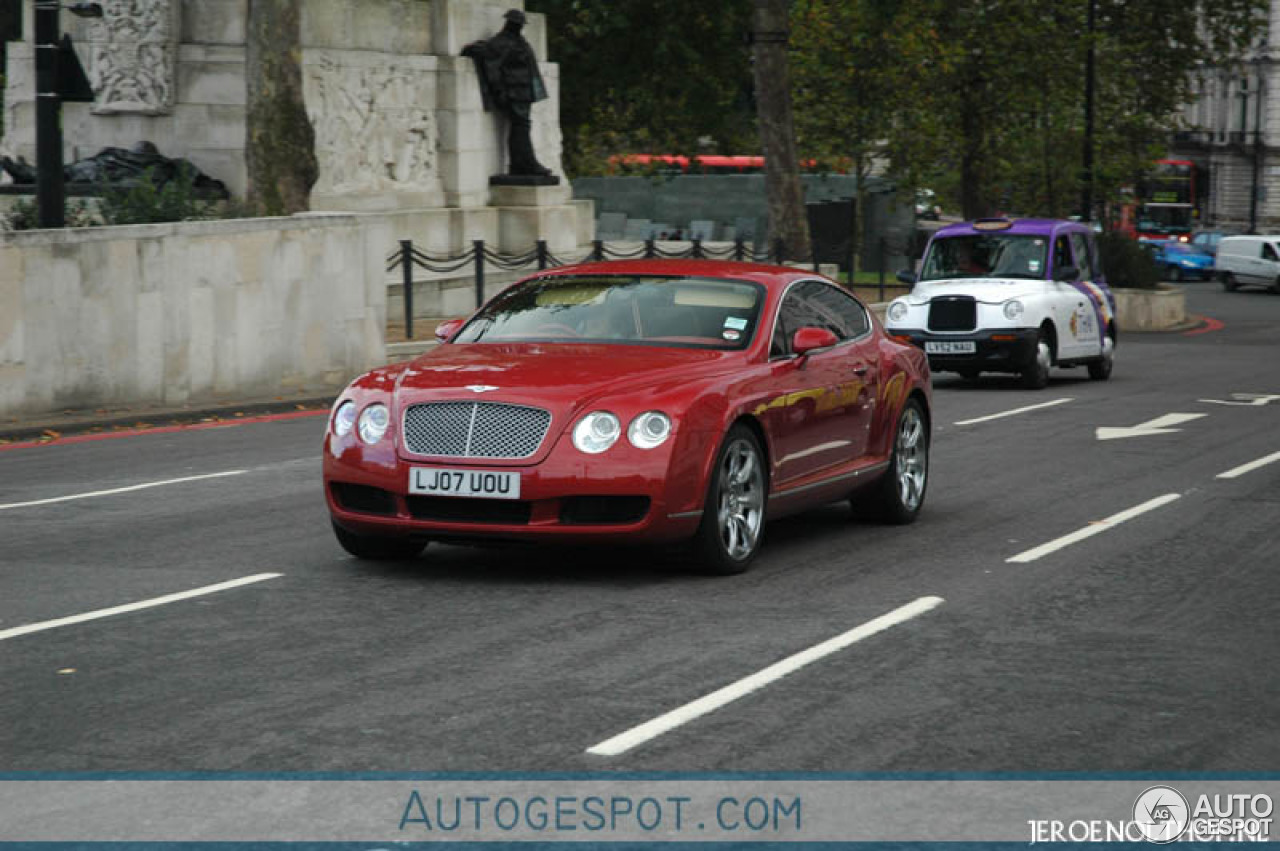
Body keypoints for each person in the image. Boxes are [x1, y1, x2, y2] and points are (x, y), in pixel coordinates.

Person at [462, 9, 553, 177]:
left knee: (522, 127)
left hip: (523, 92)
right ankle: (526, 164)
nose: (519, 27)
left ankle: (522, 164)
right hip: (514, 92)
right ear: (509, 23)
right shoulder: (502, 41)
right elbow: (487, 53)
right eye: (516, 23)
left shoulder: (517, 40)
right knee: (521, 127)